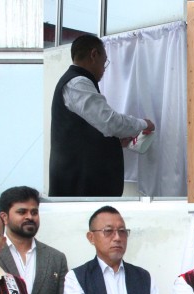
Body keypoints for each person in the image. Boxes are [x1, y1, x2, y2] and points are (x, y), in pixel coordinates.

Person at [49, 34, 155, 197]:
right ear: (94, 55)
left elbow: (85, 130)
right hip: (78, 185)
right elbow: (110, 122)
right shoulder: (77, 83)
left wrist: (112, 143)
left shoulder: (76, 82)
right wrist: (144, 124)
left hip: (81, 182)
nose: (104, 69)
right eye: (104, 62)